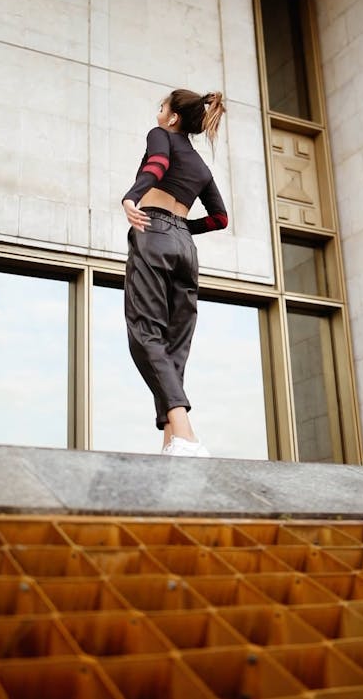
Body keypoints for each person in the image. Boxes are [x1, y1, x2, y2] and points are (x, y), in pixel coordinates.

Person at [122, 88, 228, 457]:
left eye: (162, 107)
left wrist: (132, 197)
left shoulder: (160, 136)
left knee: (145, 332)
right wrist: (181, 227)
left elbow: (158, 164)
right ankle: (172, 441)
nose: (160, 112)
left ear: (172, 118)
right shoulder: (202, 166)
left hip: (154, 236)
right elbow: (220, 218)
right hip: (185, 247)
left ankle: (186, 437)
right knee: (174, 347)